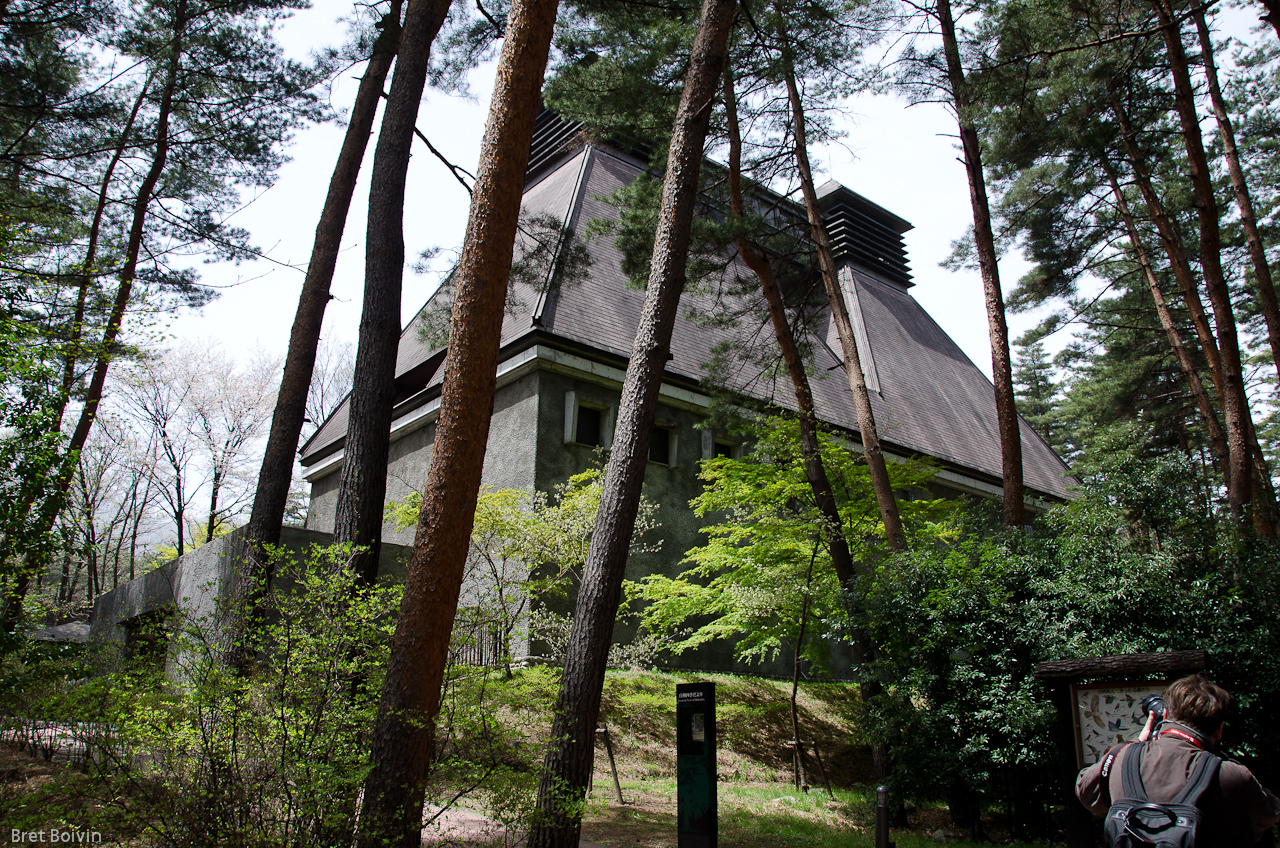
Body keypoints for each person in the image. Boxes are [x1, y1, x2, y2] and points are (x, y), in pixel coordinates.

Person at [1077, 674, 1280, 846]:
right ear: (1219, 730)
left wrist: (1136, 742)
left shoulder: (1121, 759)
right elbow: (1270, 813)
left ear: (1164, 714)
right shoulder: (1231, 775)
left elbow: (1084, 790)